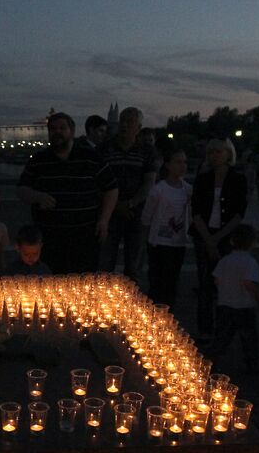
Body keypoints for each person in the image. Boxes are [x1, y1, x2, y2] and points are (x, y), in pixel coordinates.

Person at [17, 112, 118, 275]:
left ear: (71, 131)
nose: (57, 132)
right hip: (50, 237)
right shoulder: (38, 160)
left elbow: (111, 188)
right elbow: (22, 190)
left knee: (84, 281)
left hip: (85, 235)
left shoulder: (91, 157)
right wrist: (38, 197)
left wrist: (104, 220)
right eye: (53, 129)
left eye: (62, 128)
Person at [190, 138, 249, 341]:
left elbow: (239, 213)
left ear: (228, 154)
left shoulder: (238, 179)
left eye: (219, 151)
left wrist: (217, 238)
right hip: (204, 236)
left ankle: (224, 328)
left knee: (225, 285)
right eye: (212, 152)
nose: (215, 155)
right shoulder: (202, 179)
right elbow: (195, 210)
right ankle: (205, 329)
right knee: (205, 284)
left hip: (226, 237)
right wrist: (208, 239)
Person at [97, 106, 157, 283]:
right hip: (108, 214)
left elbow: (149, 182)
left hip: (136, 215)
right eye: (122, 120)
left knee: (134, 265)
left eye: (130, 122)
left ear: (138, 127)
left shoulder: (147, 151)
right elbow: (97, 180)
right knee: (105, 263)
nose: (124, 125)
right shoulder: (104, 149)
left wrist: (130, 203)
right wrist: (114, 205)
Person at [141, 147, 192, 308]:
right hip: (159, 242)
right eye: (178, 162)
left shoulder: (187, 189)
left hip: (178, 242)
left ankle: (168, 311)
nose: (182, 166)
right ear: (168, 165)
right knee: (157, 280)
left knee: (172, 280)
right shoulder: (159, 190)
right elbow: (147, 216)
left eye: (184, 162)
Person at [210, 223, 259, 374]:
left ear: (232, 241)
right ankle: (252, 364)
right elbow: (248, 283)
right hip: (244, 307)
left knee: (222, 336)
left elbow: (216, 280)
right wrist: (258, 297)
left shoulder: (225, 260)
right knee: (249, 338)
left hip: (224, 305)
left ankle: (213, 361)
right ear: (253, 243)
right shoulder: (250, 262)